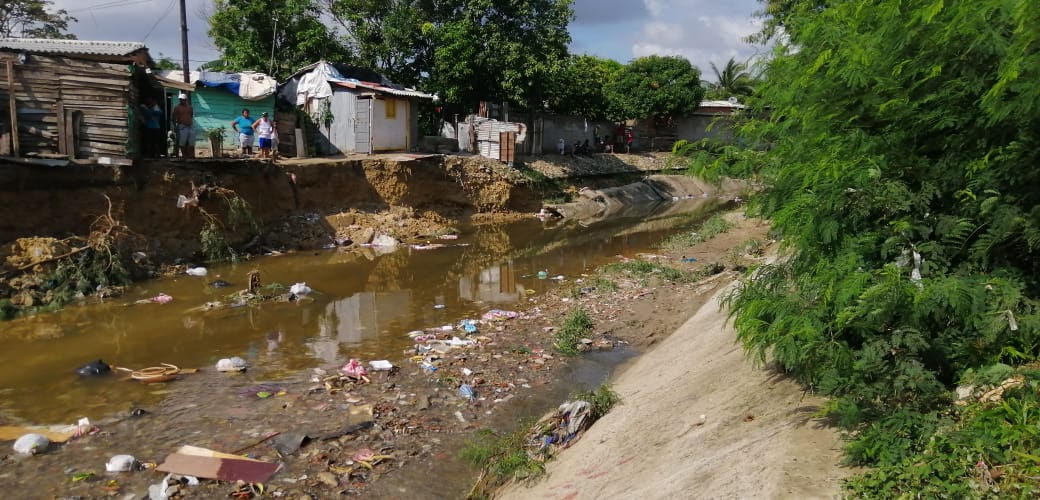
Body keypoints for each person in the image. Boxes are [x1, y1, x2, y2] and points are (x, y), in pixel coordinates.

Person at [171, 92, 195, 158]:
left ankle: (191, 156)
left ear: (186, 100)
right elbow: (173, 118)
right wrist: (175, 126)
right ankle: (184, 156)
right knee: (182, 142)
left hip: (190, 126)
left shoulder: (190, 107)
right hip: (182, 126)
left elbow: (191, 115)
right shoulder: (177, 108)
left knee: (191, 142)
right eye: (181, 99)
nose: (182, 100)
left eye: (183, 99)